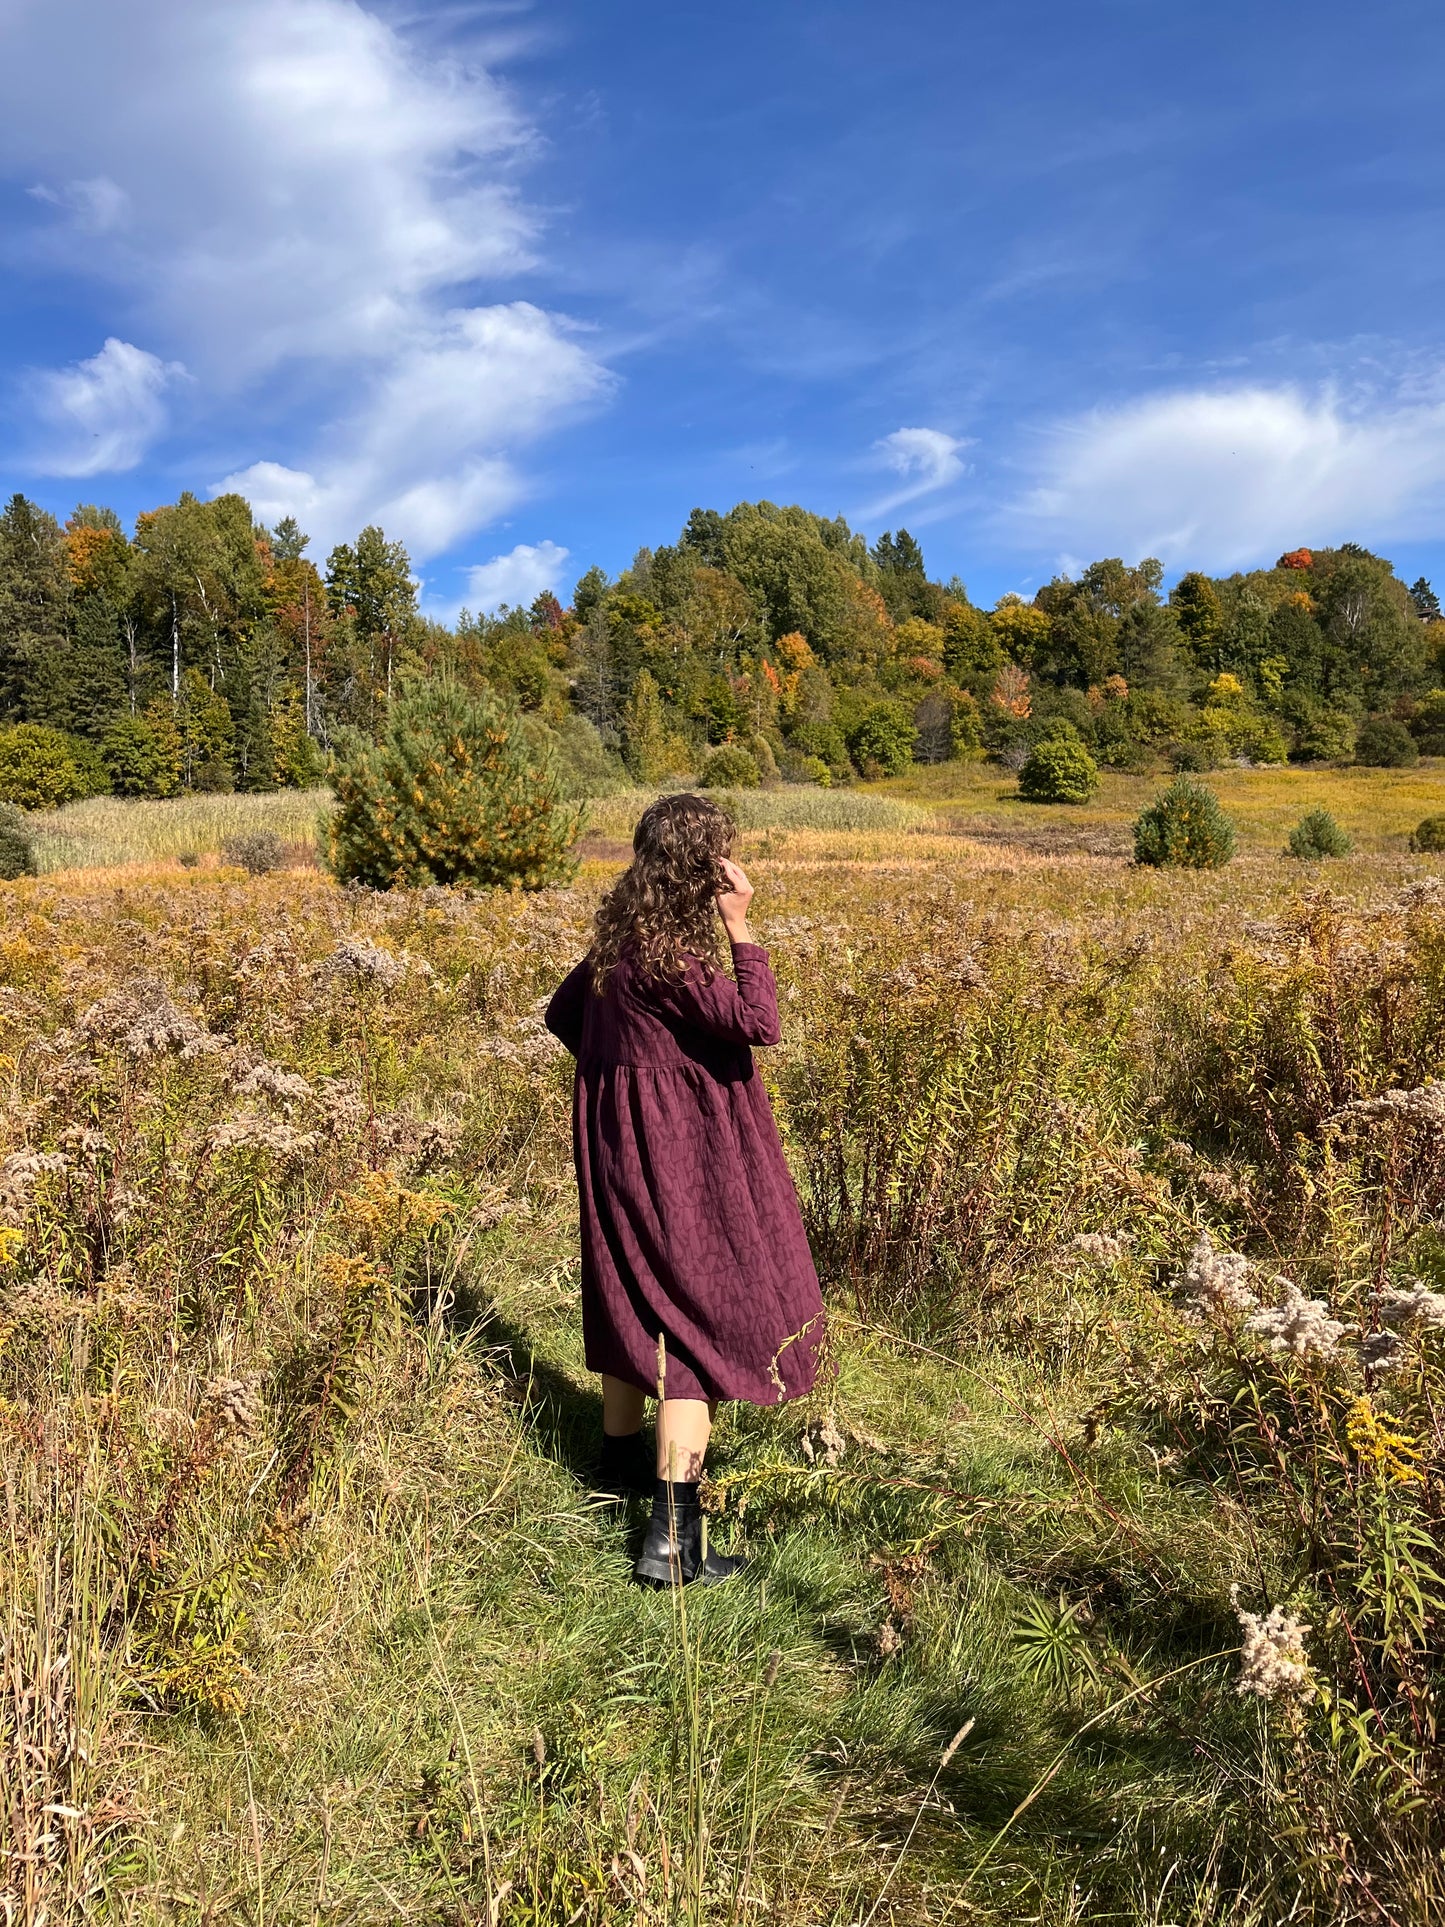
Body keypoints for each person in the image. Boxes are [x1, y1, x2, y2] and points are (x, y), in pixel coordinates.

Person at [544, 792, 825, 1587]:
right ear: (704, 870)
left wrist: (629, 1079)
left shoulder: (617, 946)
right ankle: (672, 1546)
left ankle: (616, 1464)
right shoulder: (672, 955)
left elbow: (564, 1016)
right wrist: (741, 927)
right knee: (697, 1328)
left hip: (617, 1151)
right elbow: (759, 1021)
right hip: (677, 1161)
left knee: (637, 1300)